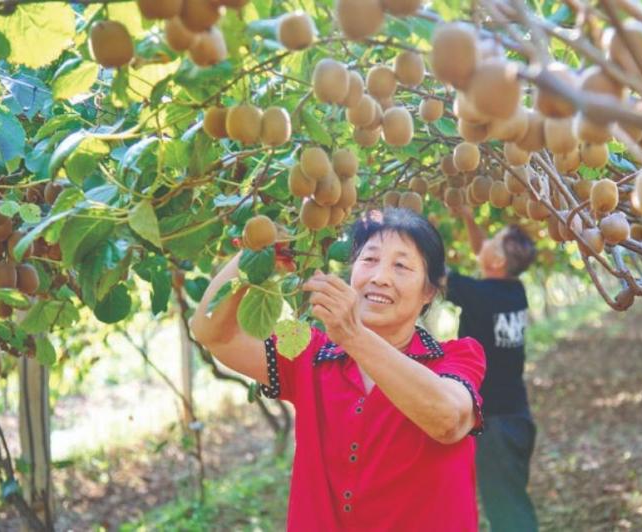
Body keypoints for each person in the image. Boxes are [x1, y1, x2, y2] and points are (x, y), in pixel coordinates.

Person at [191, 207, 486, 531]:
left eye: (401, 266)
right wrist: (253, 258)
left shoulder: (458, 356)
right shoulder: (308, 350)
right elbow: (211, 332)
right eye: (369, 260)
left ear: (428, 291)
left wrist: (353, 335)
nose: (379, 277)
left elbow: (448, 420)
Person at [446, 206, 539, 532]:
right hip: (517, 417)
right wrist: (468, 218)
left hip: (495, 423)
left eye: (494, 241)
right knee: (512, 498)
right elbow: (481, 252)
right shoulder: (514, 291)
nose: (484, 243)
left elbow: (435, 276)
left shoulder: (479, 295)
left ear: (497, 262)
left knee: (506, 511)